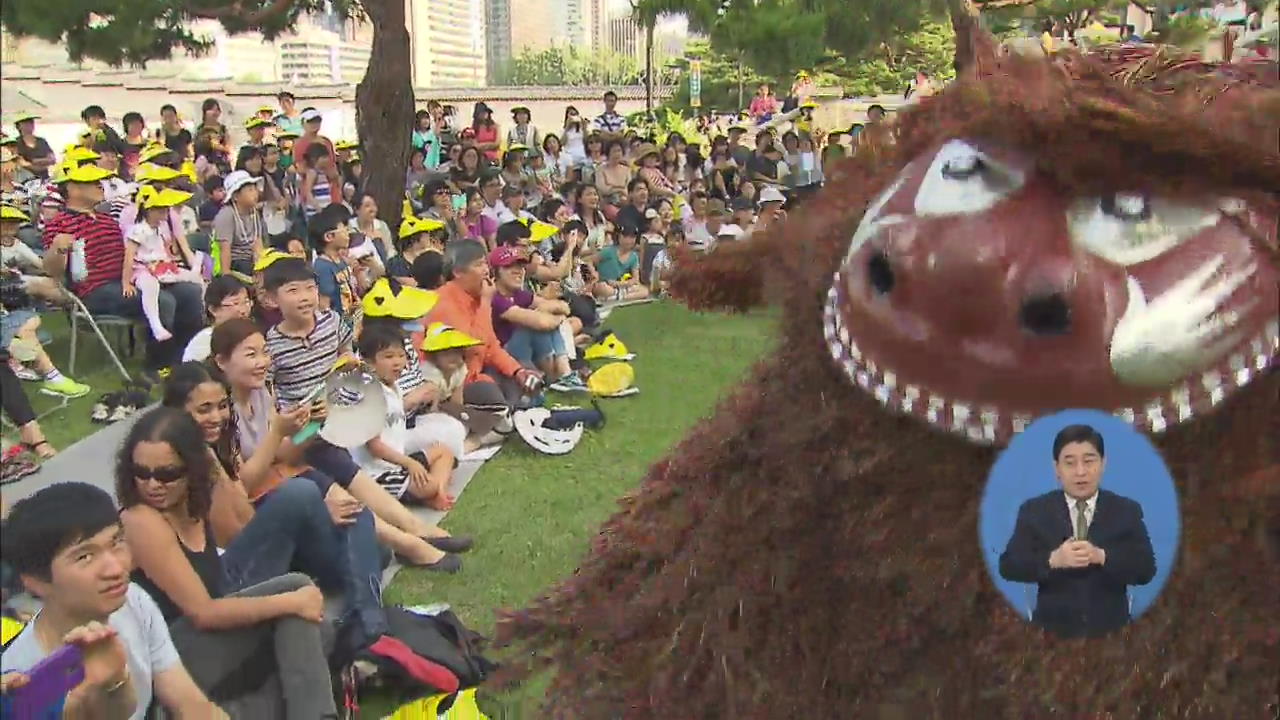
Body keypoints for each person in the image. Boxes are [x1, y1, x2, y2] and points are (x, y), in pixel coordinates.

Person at [115, 407, 338, 718]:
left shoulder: (195, 501)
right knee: (298, 602)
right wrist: (290, 603)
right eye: (141, 472)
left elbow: (244, 529)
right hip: (171, 657)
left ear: (191, 469)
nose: (152, 484)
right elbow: (204, 613)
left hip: (208, 639)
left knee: (317, 632)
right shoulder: (141, 521)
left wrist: (215, 469)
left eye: (167, 473)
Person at [260, 257, 465, 569]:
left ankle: (414, 529)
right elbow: (271, 397)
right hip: (302, 429)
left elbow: (347, 355)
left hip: (340, 414)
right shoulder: (270, 345)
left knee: (342, 459)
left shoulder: (330, 322)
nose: (305, 297)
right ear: (272, 299)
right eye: (293, 290)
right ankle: (413, 531)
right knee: (333, 458)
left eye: (310, 289)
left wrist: (348, 372)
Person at [1, 482, 223, 718]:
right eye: (85, 556)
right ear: (35, 582)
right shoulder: (20, 680)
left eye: (116, 542)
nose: (116, 568)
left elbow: (188, 701)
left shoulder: (131, 598)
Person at [44, 164, 203, 381]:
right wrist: (57, 248)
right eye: (93, 183)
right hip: (93, 290)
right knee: (164, 301)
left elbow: (132, 252)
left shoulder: (106, 219)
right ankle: (157, 366)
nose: (101, 187)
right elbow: (52, 272)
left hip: (128, 279)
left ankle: (187, 355)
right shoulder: (59, 224)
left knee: (189, 292)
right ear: (73, 189)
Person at [998, 424, 1157, 639]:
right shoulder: (1034, 511)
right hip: (1050, 633)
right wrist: (1053, 559)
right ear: (1057, 469)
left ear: (1103, 464)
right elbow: (1009, 566)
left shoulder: (1126, 510)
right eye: (1070, 463)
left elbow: (1146, 569)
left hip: (1113, 631)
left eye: (1089, 461)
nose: (1080, 472)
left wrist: (1101, 556)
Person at [351, 324, 466, 509]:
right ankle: (431, 492)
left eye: (401, 355)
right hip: (375, 473)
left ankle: (438, 495)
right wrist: (410, 463)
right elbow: (374, 447)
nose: (397, 362)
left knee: (444, 452)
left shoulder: (393, 387)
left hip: (396, 462)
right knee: (429, 484)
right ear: (369, 362)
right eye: (388, 357)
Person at [422, 240, 543, 411]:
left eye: (485, 263)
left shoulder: (475, 297)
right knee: (492, 394)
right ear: (458, 272)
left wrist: (517, 371)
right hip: (454, 383)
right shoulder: (445, 302)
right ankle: (504, 414)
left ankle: (512, 409)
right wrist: (486, 303)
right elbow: (474, 346)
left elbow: (492, 347)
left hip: (478, 372)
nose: (486, 271)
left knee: (523, 373)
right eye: (479, 265)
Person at [488, 245, 581, 391]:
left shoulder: (518, 294)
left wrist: (544, 312)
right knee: (534, 327)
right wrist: (553, 318)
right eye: (510, 267)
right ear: (496, 272)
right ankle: (563, 374)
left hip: (526, 352)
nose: (518, 271)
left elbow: (564, 307)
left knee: (556, 322)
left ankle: (562, 375)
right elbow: (542, 322)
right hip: (504, 358)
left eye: (520, 266)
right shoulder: (495, 297)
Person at [123, 187, 205, 343]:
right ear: (149, 211)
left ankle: (205, 314)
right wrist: (126, 282)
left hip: (162, 266)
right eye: (161, 211)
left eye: (166, 211)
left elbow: (164, 249)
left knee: (195, 278)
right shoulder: (138, 230)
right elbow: (129, 257)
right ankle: (156, 324)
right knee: (150, 287)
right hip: (142, 269)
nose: (165, 215)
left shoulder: (159, 230)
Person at [182, 275, 252, 362]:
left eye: (246, 302)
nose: (243, 310)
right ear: (213, 310)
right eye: (236, 303)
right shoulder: (205, 341)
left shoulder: (253, 334)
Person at [590, 223, 649, 302]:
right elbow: (590, 261)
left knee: (644, 291)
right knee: (601, 287)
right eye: (625, 236)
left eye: (632, 237)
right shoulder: (608, 251)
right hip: (605, 284)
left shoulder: (633, 256)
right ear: (619, 237)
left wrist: (620, 284)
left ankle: (617, 296)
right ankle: (618, 295)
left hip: (622, 285)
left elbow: (635, 278)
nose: (628, 240)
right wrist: (593, 273)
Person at [388, 216, 446, 286]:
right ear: (416, 238)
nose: (429, 236)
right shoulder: (395, 264)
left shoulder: (432, 259)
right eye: (427, 232)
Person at [11, 114, 56, 181]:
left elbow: (52, 159)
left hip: (44, 178)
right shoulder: (15, 143)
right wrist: (43, 162)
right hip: (25, 180)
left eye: (31, 122)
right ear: (19, 126)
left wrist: (33, 161)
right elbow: (21, 163)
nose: (30, 125)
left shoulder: (41, 141)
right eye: (26, 123)